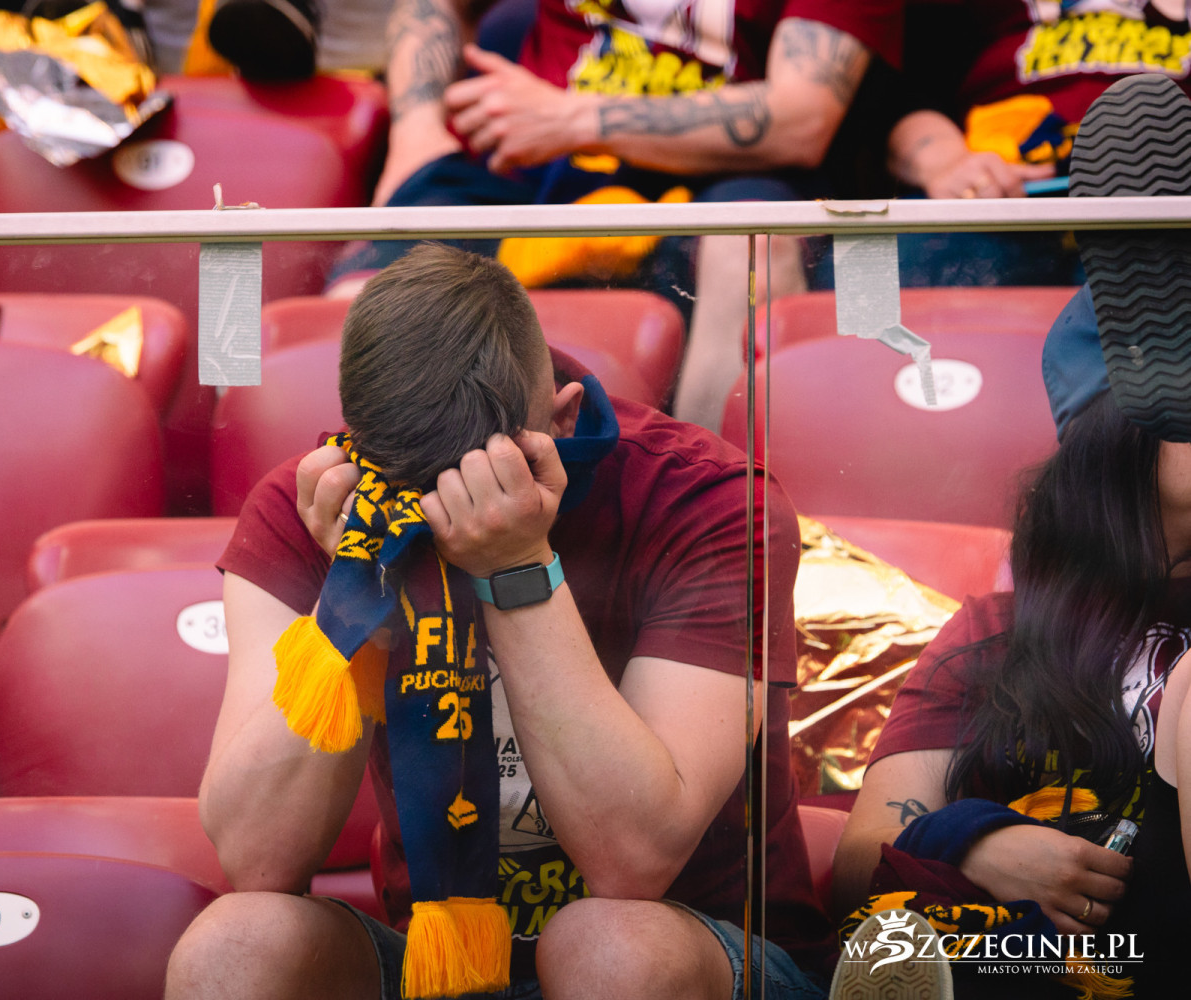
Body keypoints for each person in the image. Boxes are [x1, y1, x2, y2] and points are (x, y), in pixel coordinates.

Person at [165, 243, 831, 1000]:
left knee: (607, 950)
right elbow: (255, 858)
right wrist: (357, 590)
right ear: (358, 440)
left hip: (696, 946)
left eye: (484, 477)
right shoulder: (319, 504)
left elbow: (633, 862)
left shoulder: (704, 498)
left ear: (563, 418)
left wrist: (516, 567)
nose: (451, 518)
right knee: (234, 947)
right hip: (441, 960)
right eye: (418, 497)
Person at [828, 76, 1191, 998]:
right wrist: (977, 842)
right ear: (1116, 447)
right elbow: (855, 862)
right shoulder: (1000, 633)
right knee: (927, 955)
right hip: (1036, 964)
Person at [322, 0, 902, 430]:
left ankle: (715, 507)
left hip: (716, 179)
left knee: (751, 247)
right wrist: (416, 129)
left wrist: (574, 119)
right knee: (359, 296)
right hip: (522, 168)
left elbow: (802, 119)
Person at [885, 0, 1191, 288]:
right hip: (1004, 200)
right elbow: (894, 98)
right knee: (900, 259)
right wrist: (948, 163)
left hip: (1168, 192)